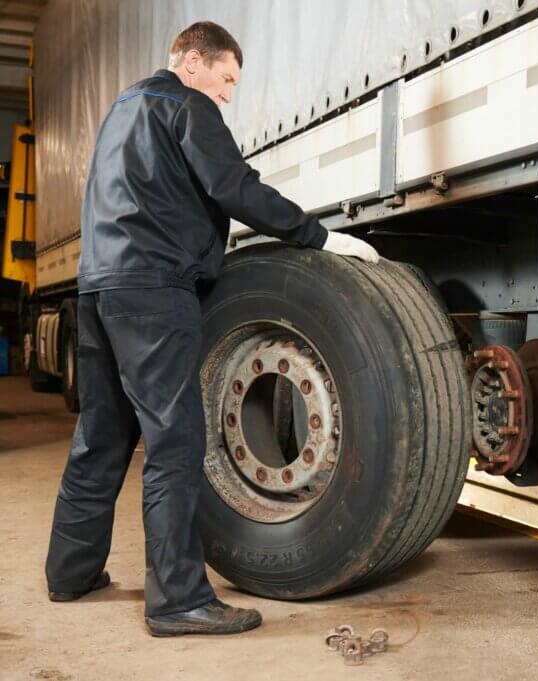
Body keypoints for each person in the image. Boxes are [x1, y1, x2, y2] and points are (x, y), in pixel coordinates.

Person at [44, 21, 377, 637]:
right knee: (174, 445)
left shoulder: (122, 109)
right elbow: (233, 188)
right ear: (192, 62)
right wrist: (320, 235)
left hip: (97, 288)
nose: (227, 94)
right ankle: (177, 601)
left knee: (101, 435)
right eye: (226, 79)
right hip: (152, 289)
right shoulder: (185, 105)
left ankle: (70, 573)